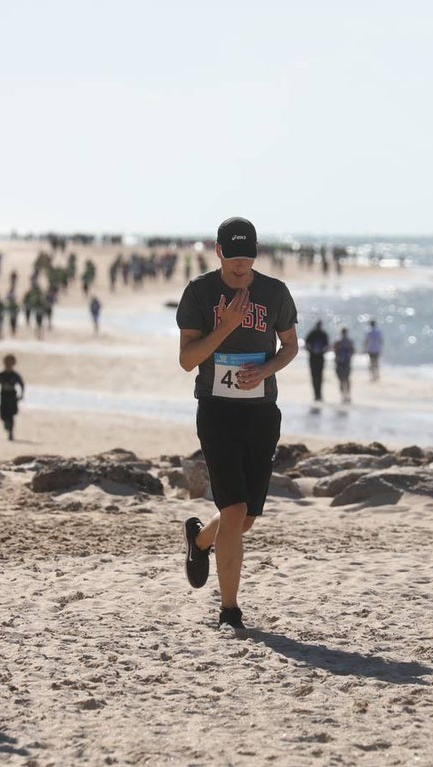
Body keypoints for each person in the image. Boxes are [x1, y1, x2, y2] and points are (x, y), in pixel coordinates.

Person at [176, 216, 298, 635]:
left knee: (243, 519)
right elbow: (187, 359)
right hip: (216, 410)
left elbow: (290, 347)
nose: (240, 269)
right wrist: (225, 326)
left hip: (261, 411)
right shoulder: (199, 292)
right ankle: (230, 610)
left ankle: (199, 541)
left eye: (247, 260)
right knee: (233, 508)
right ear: (218, 252)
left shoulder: (275, 292)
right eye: (233, 261)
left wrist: (266, 370)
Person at [0, 354, 24, 440]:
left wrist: (21, 394)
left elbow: (22, 384)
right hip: (3, 396)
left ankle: (10, 431)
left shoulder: (15, 375)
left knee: (11, 415)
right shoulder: (1, 374)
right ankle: (7, 425)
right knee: (3, 414)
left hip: (12, 397)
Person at [303, 320, 329, 402]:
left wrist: (311, 351)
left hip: (314, 357)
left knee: (315, 377)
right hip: (318, 357)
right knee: (318, 376)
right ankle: (318, 394)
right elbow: (327, 346)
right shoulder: (322, 334)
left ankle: (317, 394)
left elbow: (306, 345)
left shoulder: (313, 333)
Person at [333, 326, 355, 404]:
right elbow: (352, 352)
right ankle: (347, 395)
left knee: (341, 380)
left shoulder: (338, 342)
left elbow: (335, 352)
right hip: (347, 363)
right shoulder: (349, 342)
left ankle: (343, 396)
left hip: (340, 363)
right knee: (347, 379)